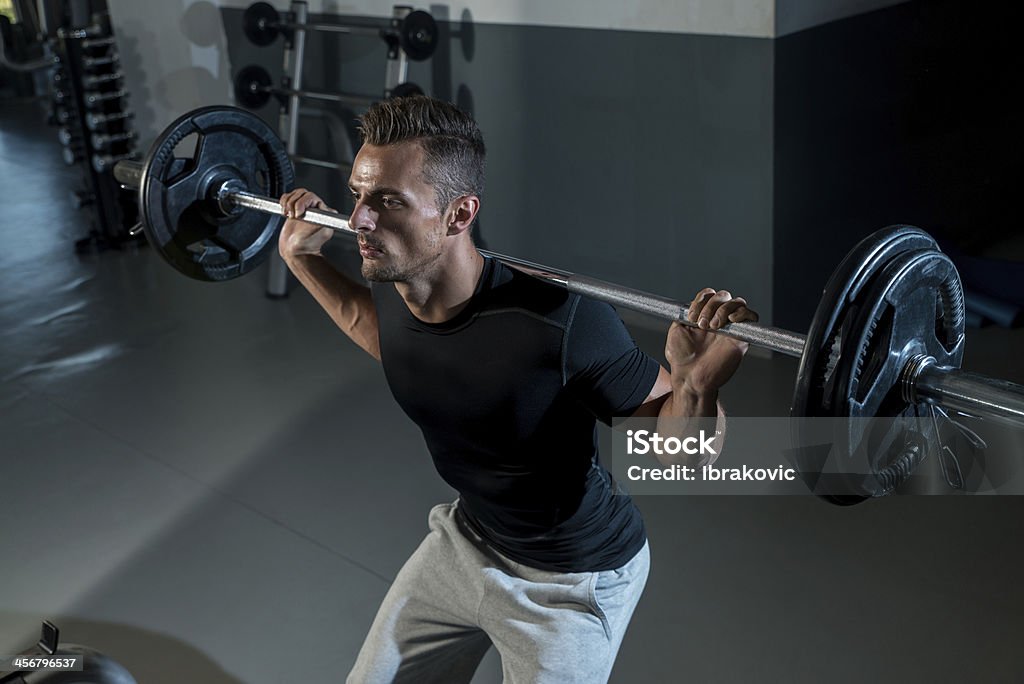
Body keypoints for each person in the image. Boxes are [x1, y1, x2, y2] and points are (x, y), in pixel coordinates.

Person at [277, 96, 758, 683]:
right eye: (357, 194)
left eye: (389, 202)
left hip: (571, 580)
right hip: (466, 540)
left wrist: (696, 383)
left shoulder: (559, 322)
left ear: (458, 215)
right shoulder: (397, 278)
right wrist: (301, 259)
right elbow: (381, 334)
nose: (358, 222)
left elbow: (681, 456)